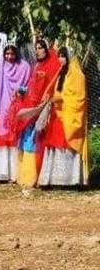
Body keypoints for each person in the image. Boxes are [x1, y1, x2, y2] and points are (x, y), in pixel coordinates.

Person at [37, 47, 90, 187]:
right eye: (59, 56)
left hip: (69, 116)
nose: (60, 59)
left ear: (69, 57)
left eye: (63, 56)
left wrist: (60, 99)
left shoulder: (78, 75)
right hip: (57, 114)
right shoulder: (61, 72)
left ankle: (70, 180)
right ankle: (54, 179)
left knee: (65, 145)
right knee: (54, 144)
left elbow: (80, 98)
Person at [13, 38, 62, 188]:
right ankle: (23, 176)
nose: (38, 50)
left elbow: (51, 87)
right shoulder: (37, 65)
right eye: (36, 48)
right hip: (31, 106)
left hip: (42, 108)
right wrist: (23, 90)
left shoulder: (53, 66)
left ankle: (33, 176)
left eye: (41, 48)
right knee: (26, 140)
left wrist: (42, 101)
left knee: (35, 141)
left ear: (47, 50)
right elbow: (32, 85)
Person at [0, 34, 31, 182]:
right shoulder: (1, 66)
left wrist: (20, 91)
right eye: (7, 53)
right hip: (2, 105)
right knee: (1, 137)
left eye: (12, 53)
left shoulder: (24, 66)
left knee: (14, 136)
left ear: (16, 53)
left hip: (16, 104)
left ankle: (13, 174)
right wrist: (2, 43)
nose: (9, 56)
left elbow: (29, 84)